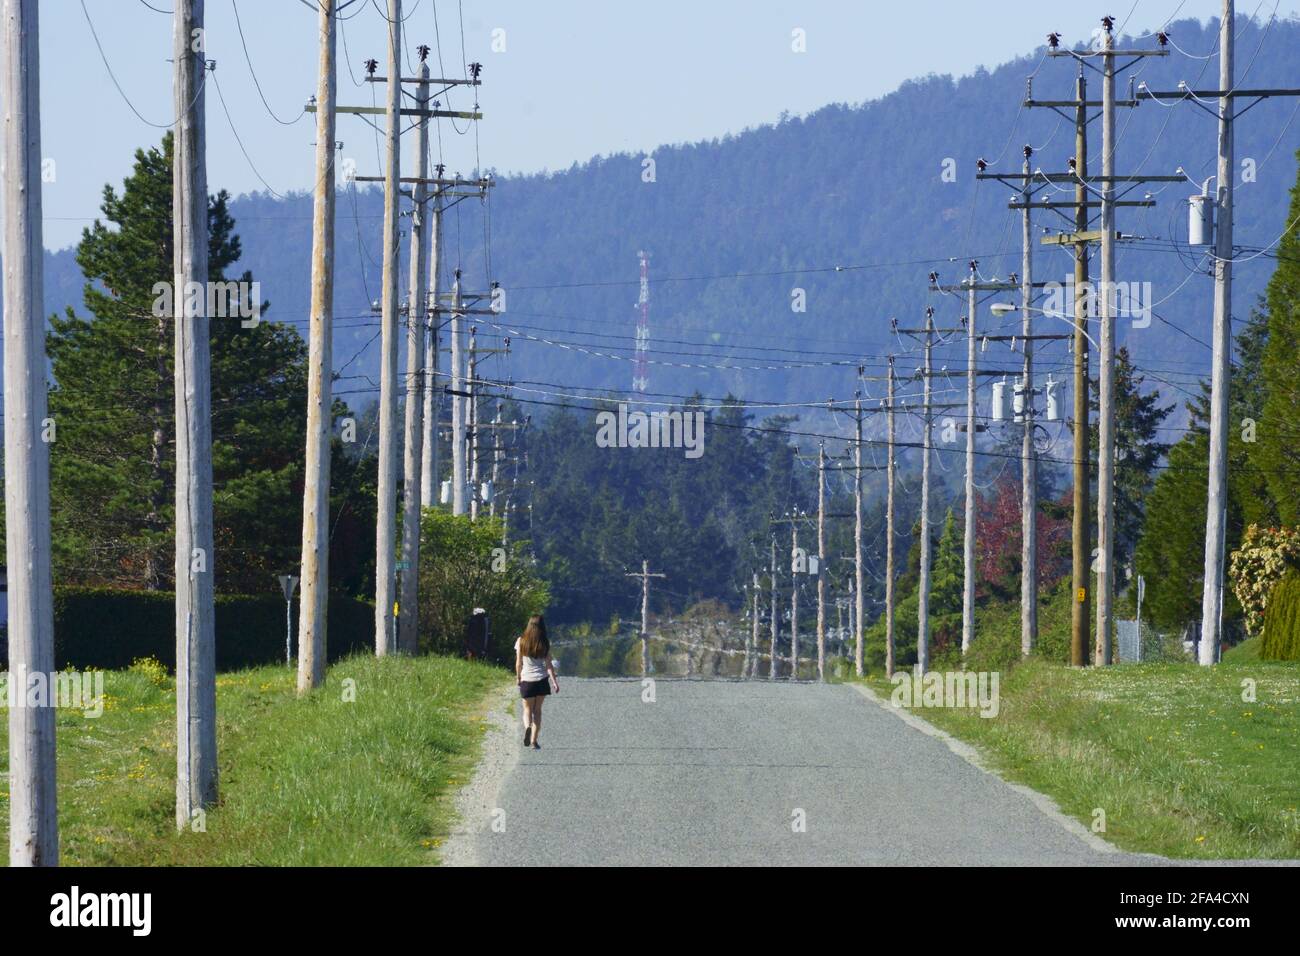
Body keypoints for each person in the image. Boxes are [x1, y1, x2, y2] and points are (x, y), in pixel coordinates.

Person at [515, 614, 557, 749]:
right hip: (541, 681)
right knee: (537, 711)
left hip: (527, 680)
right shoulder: (544, 643)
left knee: (527, 709)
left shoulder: (521, 641)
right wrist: (554, 682)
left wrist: (518, 678)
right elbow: (549, 665)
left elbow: (518, 663)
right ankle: (534, 740)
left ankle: (527, 727)